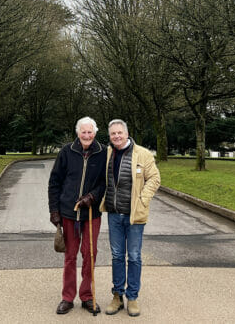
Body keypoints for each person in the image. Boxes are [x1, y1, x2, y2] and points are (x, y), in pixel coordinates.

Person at [99, 119, 161, 317]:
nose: (116, 136)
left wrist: (143, 199)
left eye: (120, 132)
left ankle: (132, 297)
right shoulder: (107, 153)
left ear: (126, 133)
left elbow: (155, 178)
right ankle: (117, 295)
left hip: (134, 215)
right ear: (110, 136)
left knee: (134, 256)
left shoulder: (142, 154)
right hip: (114, 214)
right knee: (117, 256)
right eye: (113, 133)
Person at [47, 116, 107, 315]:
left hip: (91, 213)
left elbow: (105, 182)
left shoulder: (103, 152)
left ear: (95, 133)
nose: (87, 135)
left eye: (90, 132)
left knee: (90, 254)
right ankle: (67, 297)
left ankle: (87, 296)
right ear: (78, 133)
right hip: (68, 213)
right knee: (70, 256)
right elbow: (54, 182)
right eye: (83, 132)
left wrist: (93, 196)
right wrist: (54, 210)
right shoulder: (66, 151)